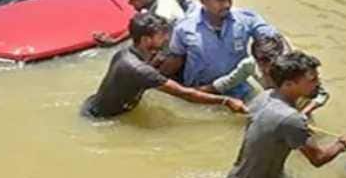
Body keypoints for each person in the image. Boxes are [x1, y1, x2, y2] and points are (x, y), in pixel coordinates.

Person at [220, 51, 346, 178]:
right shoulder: (291, 119)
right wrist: (343, 143)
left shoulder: (265, 96)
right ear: (288, 84)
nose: (318, 83)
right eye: (312, 79)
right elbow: (318, 159)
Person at [83, 13, 249, 118]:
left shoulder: (126, 53)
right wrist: (226, 101)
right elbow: (185, 94)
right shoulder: (140, 70)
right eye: (162, 36)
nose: (166, 39)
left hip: (95, 105)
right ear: (146, 40)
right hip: (106, 118)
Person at [158, 0, 279, 98]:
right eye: (220, 0)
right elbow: (176, 59)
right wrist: (157, 80)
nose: (227, 4)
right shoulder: (184, 28)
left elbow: (274, 40)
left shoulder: (246, 19)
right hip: (201, 91)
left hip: (238, 88)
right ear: (203, 0)